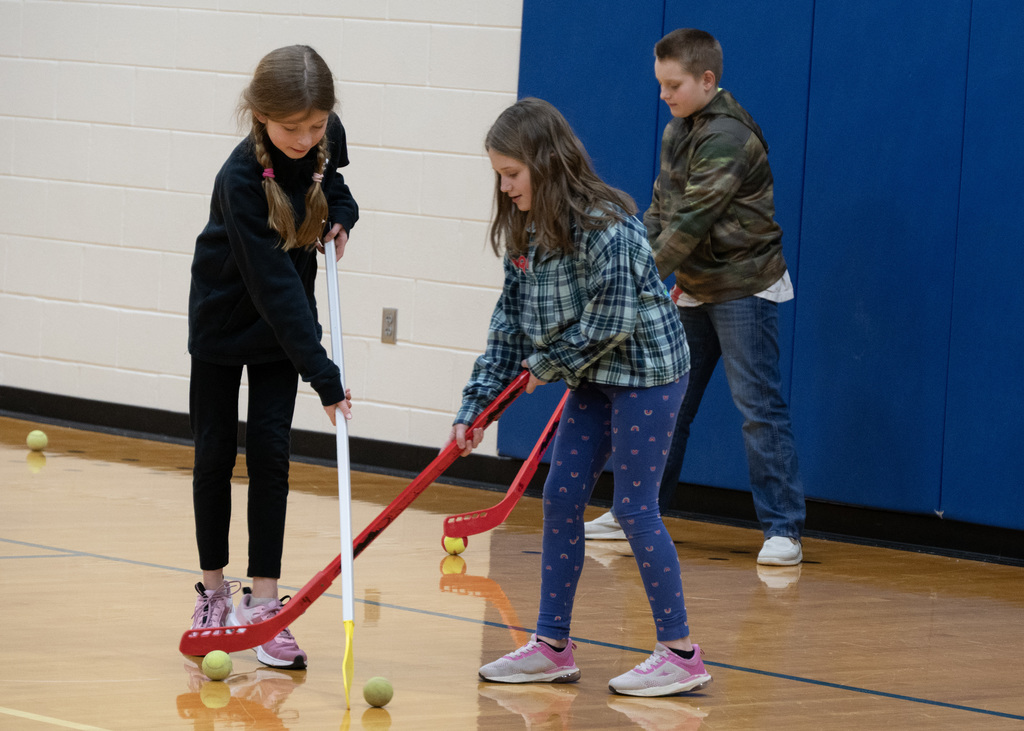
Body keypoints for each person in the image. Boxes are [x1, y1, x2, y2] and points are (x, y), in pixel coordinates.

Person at [450, 97, 711, 697]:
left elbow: (612, 319)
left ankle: (681, 652)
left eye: (512, 174)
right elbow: (508, 327)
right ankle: (552, 645)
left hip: (647, 370)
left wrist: (547, 364)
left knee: (634, 507)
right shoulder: (524, 229)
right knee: (562, 496)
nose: (505, 186)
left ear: (545, 163)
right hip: (594, 374)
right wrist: (476, 410)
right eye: (499, 175)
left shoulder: (606, 224)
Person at [584, 28, 806, 567]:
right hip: (694, 286)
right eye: (660, 84)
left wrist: (638, 282)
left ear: (707, 80)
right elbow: (660, 211)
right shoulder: (677, 130)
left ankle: (784, 530)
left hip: (744, 287)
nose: (664, 94)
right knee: (667, 404)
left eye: (674, 84)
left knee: (758, 408)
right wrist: (629, 264)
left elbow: (691, 220)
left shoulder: (728, 134)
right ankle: (638, 510)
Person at [186, 45, 358, 669]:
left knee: (271, 454)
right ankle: (212, 592)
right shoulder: (239, 179)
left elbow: (335, 185)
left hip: (283, 329)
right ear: (260, 114)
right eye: (293, 129)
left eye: (316, 126)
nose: (307, 138)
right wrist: (324, 373)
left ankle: (263, 604)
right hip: (226, 318)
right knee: (214, 454)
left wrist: (342, 215)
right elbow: (274, 287)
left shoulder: (323, 136)